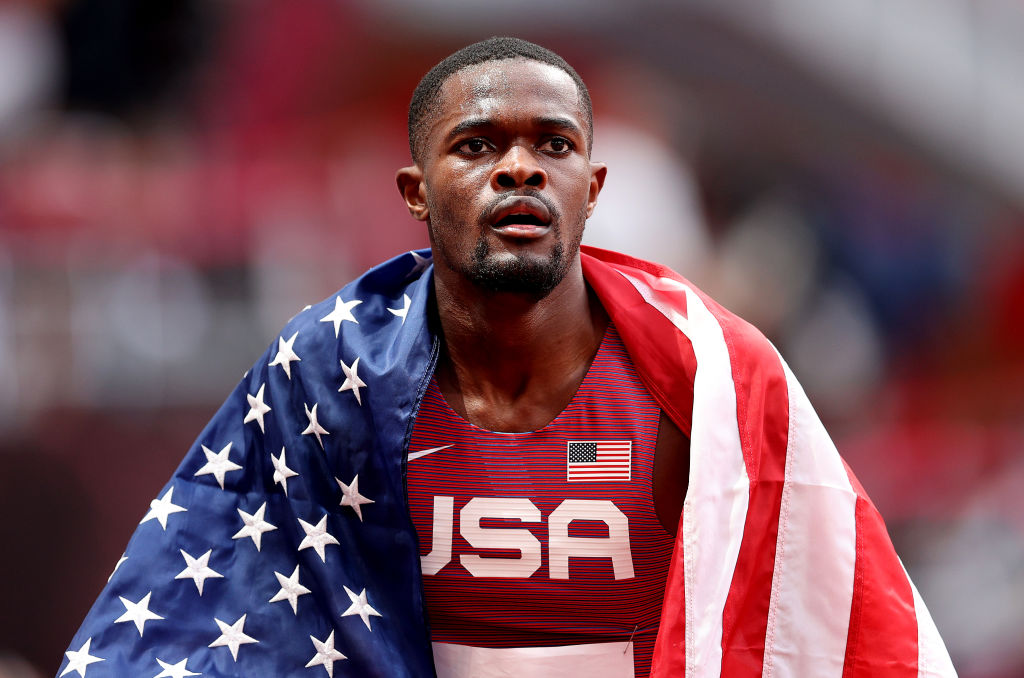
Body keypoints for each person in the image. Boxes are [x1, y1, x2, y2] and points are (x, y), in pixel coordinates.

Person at [59, 37, 955, 678]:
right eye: (478, 145)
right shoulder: (328, 377)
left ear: (594, 187)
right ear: (414, 190)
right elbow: (200, 619)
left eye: (553, 146)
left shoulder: (713, 384)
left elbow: (834, 631)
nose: (519, 169)